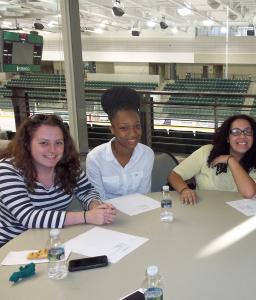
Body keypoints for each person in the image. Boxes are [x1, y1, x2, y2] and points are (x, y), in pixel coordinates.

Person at [0, 114, 116, 248]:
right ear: (27, 144)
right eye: (44, 143)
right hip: (10, 245)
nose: (53, 150)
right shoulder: (7, 170)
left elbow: (86, 190)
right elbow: (28, 217)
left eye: (58, 143)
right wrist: (87, 217)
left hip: (53, 239)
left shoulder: (68, 166)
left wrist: (95, 205)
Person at [168, 114, 256, 204]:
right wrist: (184, 189)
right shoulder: (207, 152)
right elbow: (174, 175)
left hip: (237, 217)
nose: (242, 136)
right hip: (204, 211)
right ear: (227, 138)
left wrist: (231, 160)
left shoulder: (255, 163)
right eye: (235, 132)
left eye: (247, 131)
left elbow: (249, 193)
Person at [86, 87, 154, 200]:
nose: (133, 134)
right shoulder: (95, 159)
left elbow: (144, 196)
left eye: (137, 126)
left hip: (139, 212)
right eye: (124, 128)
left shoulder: (147, 154)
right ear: (112, 129)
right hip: (108, 215)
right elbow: (98, 201)